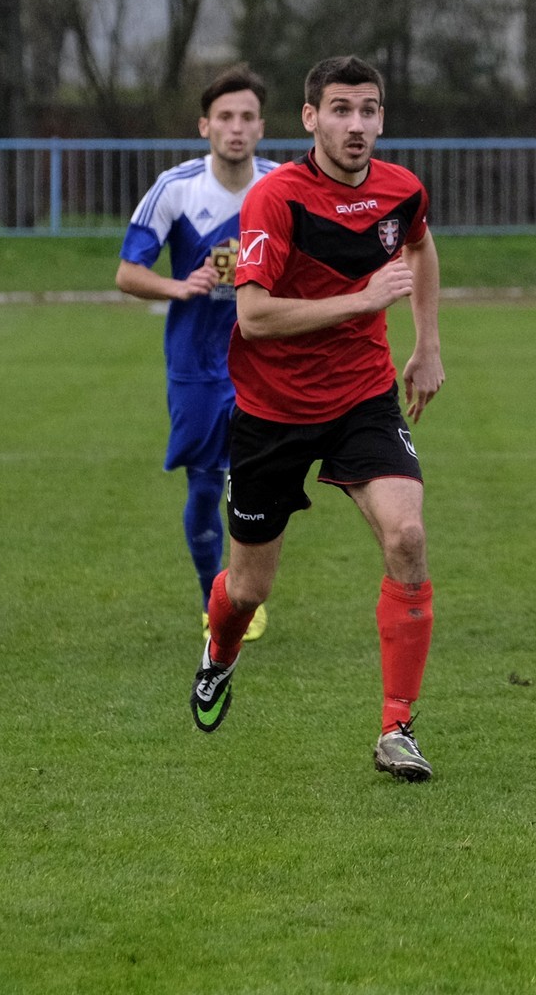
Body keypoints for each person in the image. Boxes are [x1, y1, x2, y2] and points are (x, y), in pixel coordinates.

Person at [188, 56, 446, 787]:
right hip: (271, 411)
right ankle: (220, 654)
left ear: (382, 119)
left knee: (407, 535)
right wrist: (362, 300)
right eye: (340, 110)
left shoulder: (402, 190)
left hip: (362, 399)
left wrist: (427, 344)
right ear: (310, 118)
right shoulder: (275, 198)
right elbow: (254, 315)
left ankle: (397, 727)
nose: (355, 125)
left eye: (368, 111)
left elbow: (421, 245)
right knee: (249, 590)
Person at [117, 65, 279, 639]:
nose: (236, 128)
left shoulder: (281, 185)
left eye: (247, 117)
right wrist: (179, 286)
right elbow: (127, 272)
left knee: (263, 484)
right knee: (207, 484)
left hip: (266, 358)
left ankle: (247, 588)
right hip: (197, 363)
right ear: (205, 125)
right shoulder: (176, 187)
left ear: (261, 127)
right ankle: (218, 600)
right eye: (225, 117)